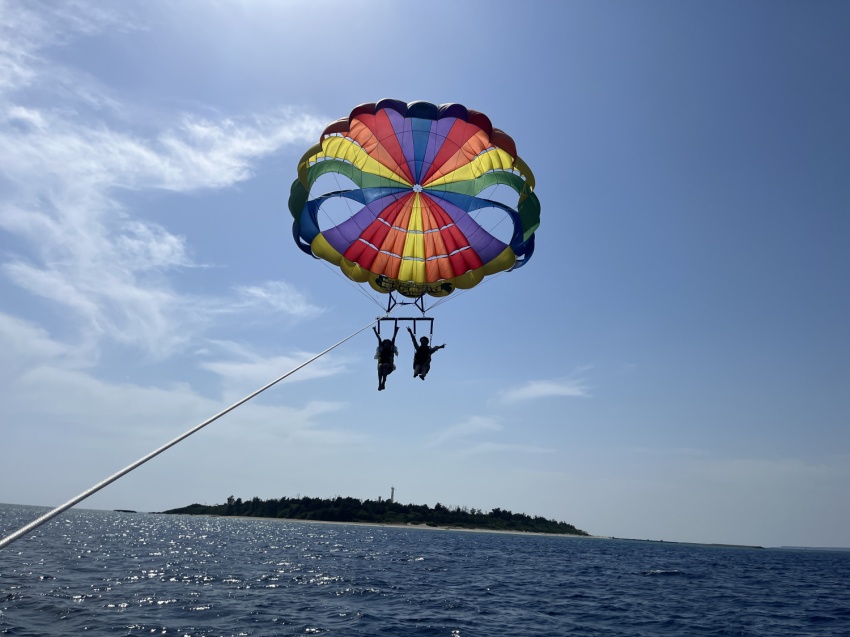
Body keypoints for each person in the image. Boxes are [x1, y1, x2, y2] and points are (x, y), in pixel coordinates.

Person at [373, 325, 399, 391]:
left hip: (389, 367)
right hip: (381, 366)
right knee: (381, 366)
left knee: (385, 365)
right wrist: (375, 331)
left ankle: (383, 383)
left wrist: (395, 331)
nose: (386, 345)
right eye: (385, 344)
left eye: (388, 344)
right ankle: (379, 384)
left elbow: (393, 339)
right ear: (383, 345)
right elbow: (379, 339)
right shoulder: (381, 350)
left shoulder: (391, 350)